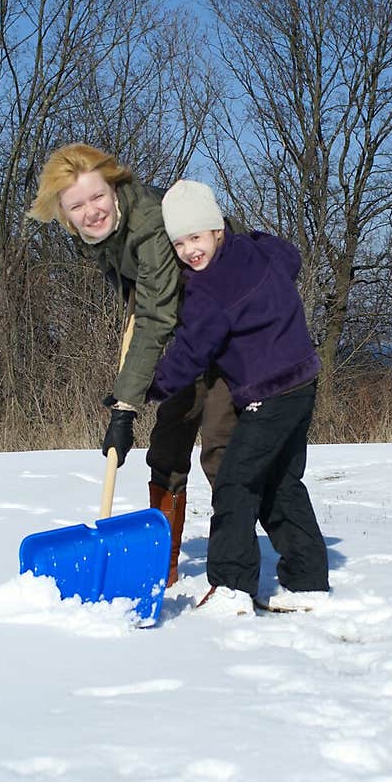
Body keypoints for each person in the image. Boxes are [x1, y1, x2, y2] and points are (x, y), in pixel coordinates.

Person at [27, 145, 237, 585]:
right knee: (166, 450)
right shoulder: (103, 236)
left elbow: (155, 315)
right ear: (64, 214)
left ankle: (234, 571)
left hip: (231, 333)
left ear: (115, 186)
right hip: (189, 339)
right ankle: (166, 567)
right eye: (76, 205)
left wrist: (126, 405)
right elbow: (146, 303)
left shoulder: (151, 224)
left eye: (96, 197)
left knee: (221, 450)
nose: (91, 211)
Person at [148, 178, 330, 615]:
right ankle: (307, 580)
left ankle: (230, 587)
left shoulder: (208, 289)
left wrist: (153, 387)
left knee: (234, 481)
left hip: (268, 395)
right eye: (179, 243)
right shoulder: (259, 252)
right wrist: (256, 237)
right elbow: (291, 257)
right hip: (303, 383)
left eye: (196, 237)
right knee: (280, 483)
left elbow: (193, 351)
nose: (190, 251)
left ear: (216, 230)